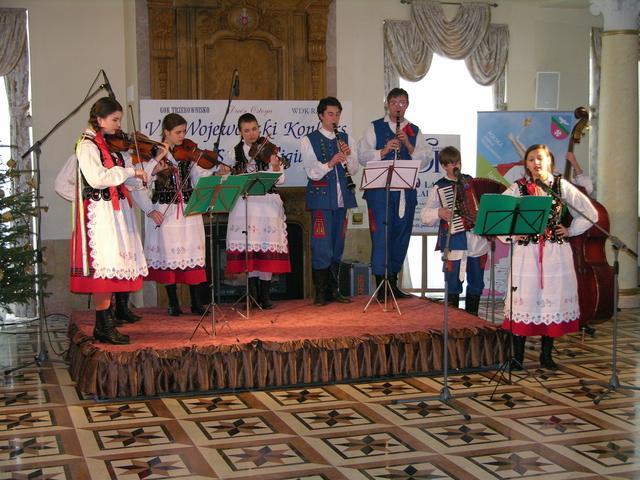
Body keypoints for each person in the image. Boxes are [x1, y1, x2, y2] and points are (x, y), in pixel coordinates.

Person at [501, 144, 598, 370]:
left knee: (552, 301)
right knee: (524, 299)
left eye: (540, 158)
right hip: (527, 254)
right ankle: (517, 357)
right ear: (526, 164)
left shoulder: (561, 185)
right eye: (531, 159)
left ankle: (546, 356)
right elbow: (499, 215)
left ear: (549, 161)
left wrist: (571, 230)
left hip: (555, 253)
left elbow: (590, 213)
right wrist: (512, 234)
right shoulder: (518, 188)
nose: (536, 162)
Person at [69, 97, 149, 344]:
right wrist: (129, 171)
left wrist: (138, 177)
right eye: (115, 119)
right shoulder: (87, 145)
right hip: (100, 213)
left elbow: (118, 178)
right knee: (104, 268)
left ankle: (106, 322)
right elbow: (97, 178)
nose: (118, 125)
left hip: (114, 211)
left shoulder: (105, 144)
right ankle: (102, 325)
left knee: (113, 264)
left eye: (119, 120)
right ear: (100, 119)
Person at [135, 113, 230, 316]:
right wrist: (149, 210)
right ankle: (173, 303)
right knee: (168, 256)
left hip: (188, 210)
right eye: (178, 132)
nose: (182, 136)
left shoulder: (187, 154)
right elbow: (140, 185)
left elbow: (198, 178)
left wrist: (215, 173)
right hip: (164, 211)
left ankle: (196, 302)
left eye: (184, 131)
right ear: (166, 132)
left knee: (191, 255)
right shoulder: (152, 155)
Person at [358, 87, 431, 299]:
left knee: (401, 236)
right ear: (387, 105)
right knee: (381, 237)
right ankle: (381, 286)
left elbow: (426, 160)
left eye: (402, 103)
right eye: (394, 103)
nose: (398, 107)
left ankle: (393, 282)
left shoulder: (414, 130)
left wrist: (407, 144)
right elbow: (362, 156)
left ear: (407, 105)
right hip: (379, 193)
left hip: (405, 192)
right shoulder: (374, 127)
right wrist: (384, 150)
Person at [225, 113, 290, 309]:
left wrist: (276, 166)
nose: (252, 134)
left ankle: (265, 295)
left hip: (267, 205)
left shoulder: (270, 150)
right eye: (247, 130)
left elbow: (281, 180)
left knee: (265, 250)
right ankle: (252, 294)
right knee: (250, 251)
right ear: (240, 132)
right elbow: (229, 180)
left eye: (254, 129)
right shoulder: (233, 153)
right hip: (244, 206)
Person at [301, 96, 359, 306]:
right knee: (321, 245)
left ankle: (334, 290)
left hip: (342, 199)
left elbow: (354, 169)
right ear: (321, 115)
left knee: (338, 244)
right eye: (330, 114)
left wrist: (348, 156)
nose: (334, 118)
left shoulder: (347, 139)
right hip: (321, 200)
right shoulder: (308, 140)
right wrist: (331, 162)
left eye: (337, 114)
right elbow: (312, 171)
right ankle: (321, 292)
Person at [420, 146, 488, 315]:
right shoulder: (440, 187)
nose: (456, 166)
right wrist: (439, 212)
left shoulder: (471, 182)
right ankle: (454, 321)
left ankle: (472, 319)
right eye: (451, 163)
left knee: (477, 282)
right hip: (454, 242)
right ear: (444, 166)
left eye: (458, 162)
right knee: (452, 283)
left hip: (476, 241)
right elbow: (424, 215)